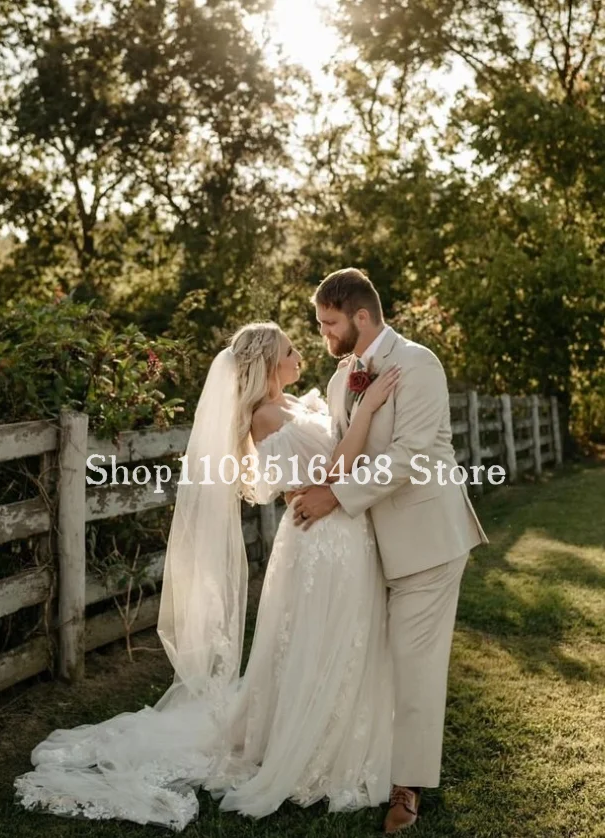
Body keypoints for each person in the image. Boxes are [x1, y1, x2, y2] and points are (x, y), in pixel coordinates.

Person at [13, 321, 400, 831]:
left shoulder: (295, 405)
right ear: (267, 362)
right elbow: (329, 474)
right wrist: (367, 408)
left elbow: (322, 458)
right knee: (313, 641)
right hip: (318, 542)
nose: (299, 357)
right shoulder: (262, 416)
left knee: (345, 640)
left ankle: (343, 732)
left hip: (342, 537)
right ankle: (304, 747)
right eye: (289, 351)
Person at [291, 267, 489, 833]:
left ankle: (407, 786)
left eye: (329, 324)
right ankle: (369, 760)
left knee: (414, 665)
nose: (324, 336)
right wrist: (307, 478)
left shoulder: (419, 364)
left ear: (360, 316)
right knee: (372, 657)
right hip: (366, 543)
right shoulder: (339, 380)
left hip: (426, 540)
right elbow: (342, 450)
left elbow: (409, 459)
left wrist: (333, 496)